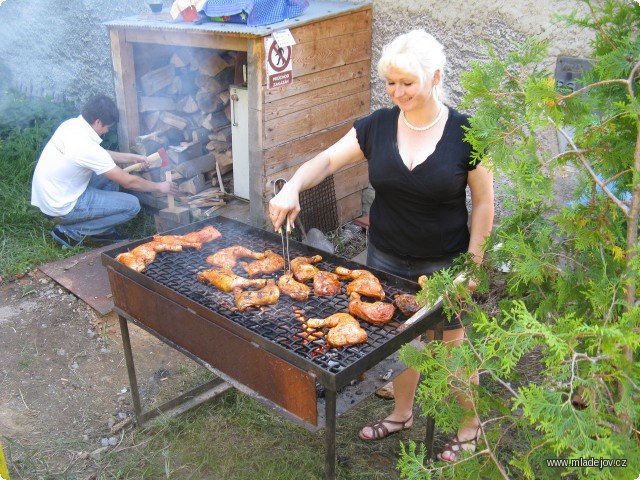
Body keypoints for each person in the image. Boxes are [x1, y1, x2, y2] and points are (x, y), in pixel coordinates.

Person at [269, 29, 494, 462]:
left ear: (435, 77)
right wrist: (293, 185)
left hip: (446, 264)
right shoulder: (376, 126)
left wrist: (475, 261)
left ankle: (471, 426)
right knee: (403, 343)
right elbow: (328, 160)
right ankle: (402, 412)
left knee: (452, 352)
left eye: (407, 82)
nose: (397, 92)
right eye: (390, 82)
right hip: (386, 260)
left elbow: (483, 203)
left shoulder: (468, 133)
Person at [31, 94, 177, 248]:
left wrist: (131, 157)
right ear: (98, 122)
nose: (107, 131)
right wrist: (159, 187)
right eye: (108, 127)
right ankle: (71, 231)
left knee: (109, 175)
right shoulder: (86, 147)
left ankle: (101, 229)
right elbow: (128, 182)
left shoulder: (71, 125)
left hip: (49, 198)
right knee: (132, 205)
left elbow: (100, 155)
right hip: (62, 208)